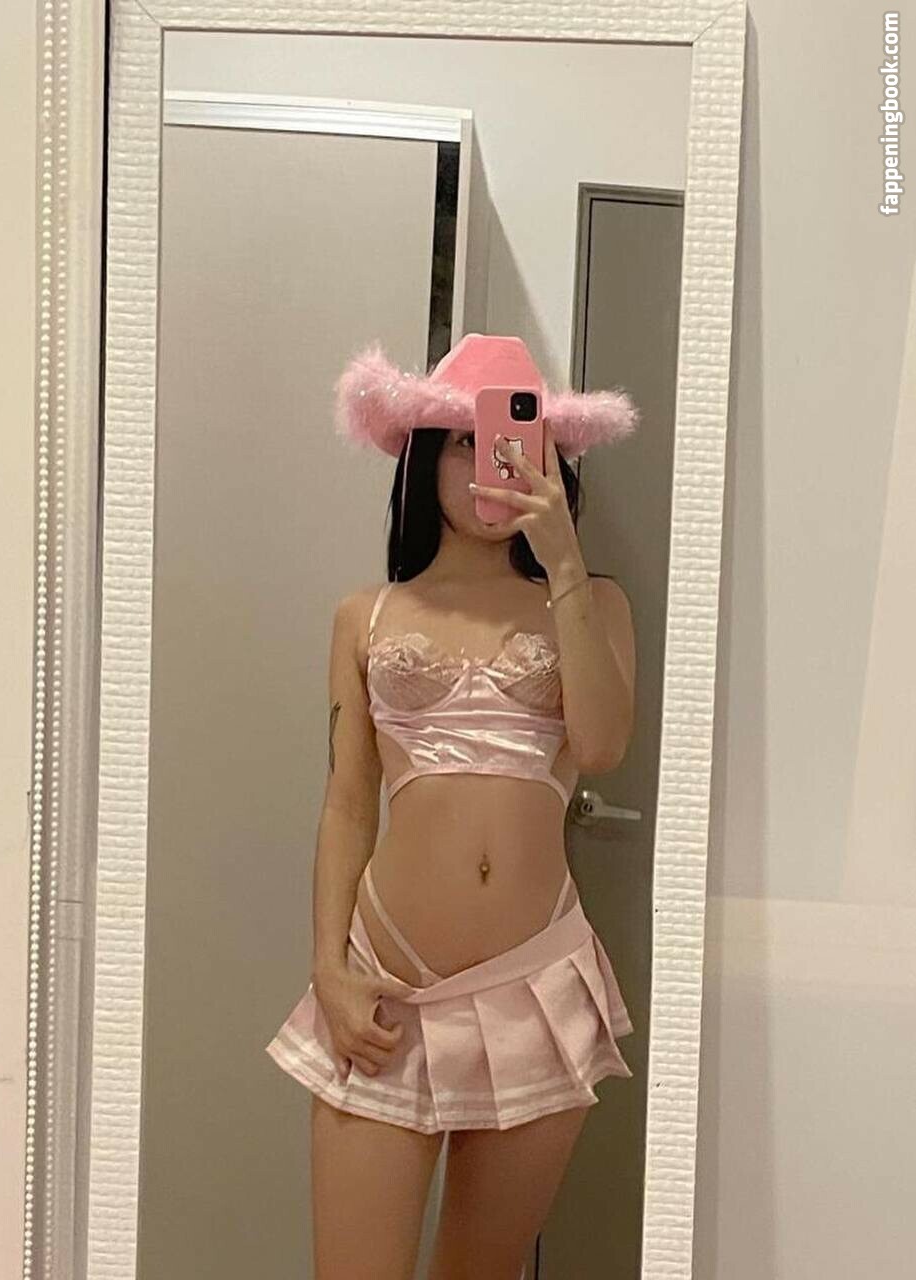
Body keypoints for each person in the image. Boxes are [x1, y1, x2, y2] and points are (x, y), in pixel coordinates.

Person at [266, 334, 641, 1279]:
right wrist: (327, 968)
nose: (488, 462)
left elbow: (601, 747)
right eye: (464, 441)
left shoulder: (594, 603)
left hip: (536, 985)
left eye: (511, 440)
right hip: (386, 983)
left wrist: (563, 567)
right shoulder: (366, 614)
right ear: (424, 458)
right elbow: (347, 803)